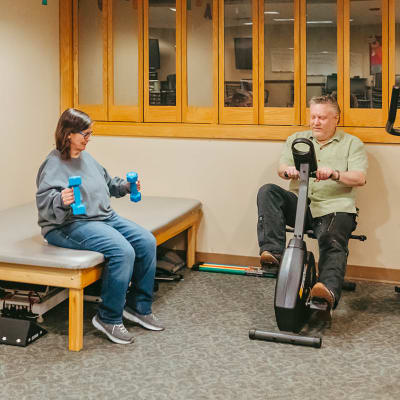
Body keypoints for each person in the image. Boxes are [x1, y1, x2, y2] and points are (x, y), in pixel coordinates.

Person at [36, 108, 164, 345]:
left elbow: (107, 184)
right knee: (123, 251)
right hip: (69, 225)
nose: (88, 138)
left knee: (146, 241)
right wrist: (59, 200)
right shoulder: (52, 164)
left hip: (104, 217)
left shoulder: (87, 159)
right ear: (67, 134)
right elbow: (44, 204)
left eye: (90, 133)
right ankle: (109, 317)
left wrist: (124, 186)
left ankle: (139, 306)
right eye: (84, 134)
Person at [257, 95, 367, 317]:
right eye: (313, 117)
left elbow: (360, 178)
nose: (316, 122)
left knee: (332, 238)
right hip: (300, 205)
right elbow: (282, 168)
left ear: (336, 118)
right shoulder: (297, 139)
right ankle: (274, 253)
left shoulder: (352, 143)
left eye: (322, 118)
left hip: (334, 208)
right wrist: (289, 171)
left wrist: (335, 174)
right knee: (268, 191)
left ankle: (326, 289)